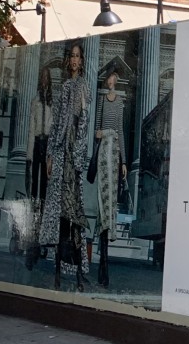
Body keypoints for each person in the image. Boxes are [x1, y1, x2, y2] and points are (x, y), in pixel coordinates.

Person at [46, 41, 90, 291]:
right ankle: (59, 267)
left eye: (77, 56)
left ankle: (78, 268)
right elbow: (56, 122)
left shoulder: (83, 86)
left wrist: (79, 152)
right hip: (61, 151)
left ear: (81, 61)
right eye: (71, 56)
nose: (74, 60)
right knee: (61, 211)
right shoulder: (63, 87)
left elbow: (83, 120)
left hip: (75, 153)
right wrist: (51, 154)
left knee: (75, 211)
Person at [93, 57, 129, 289]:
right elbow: (97, 131)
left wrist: (124, 161)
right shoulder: (102, 101)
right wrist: (105, 134)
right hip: (103, 154)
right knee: (102, 200)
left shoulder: (120, 102)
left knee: (111, 202)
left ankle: (106, 258)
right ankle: (101, 253)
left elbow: (121, 131)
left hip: (114, 154)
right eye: (109, 77)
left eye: (114, 77)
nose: (111, 80)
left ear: (116, 79)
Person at [24, 65, 54, 270]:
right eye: (42, 78)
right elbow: (31, 129)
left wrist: (50, 156)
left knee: (44, 194)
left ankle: (41, 241)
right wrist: (28, 156)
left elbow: (53, 129)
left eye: (46, 78)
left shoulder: (52, 103)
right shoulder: (35, 101)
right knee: (34, 193)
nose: (44, 81)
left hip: (47, 146)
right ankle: (32, 243)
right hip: (36, 145)